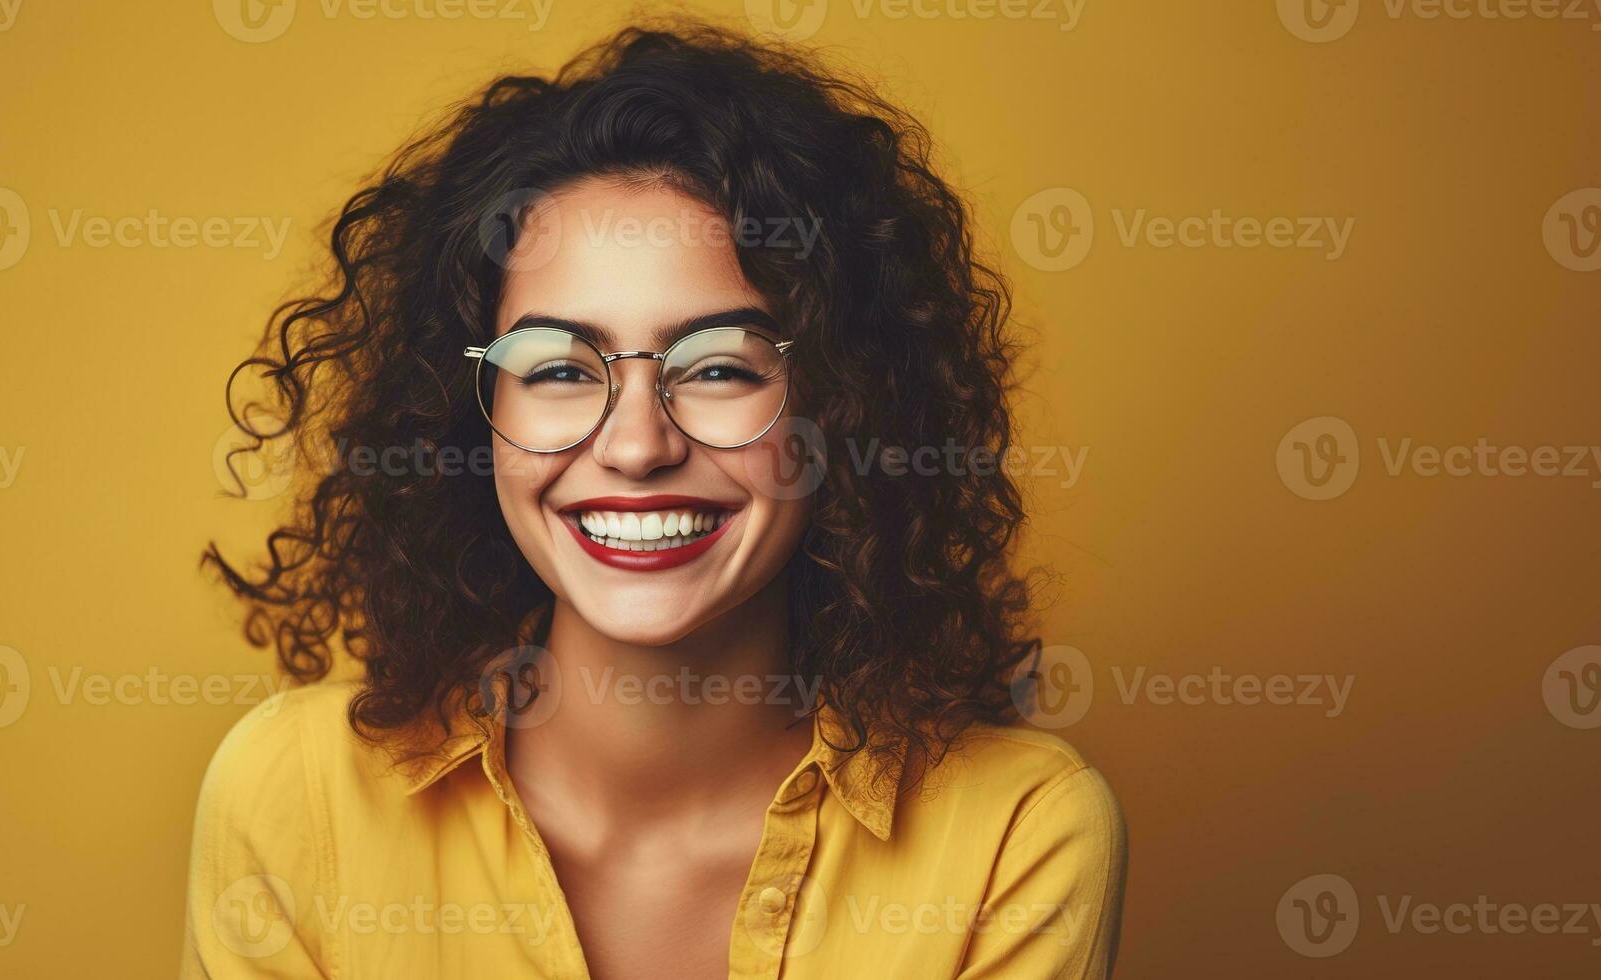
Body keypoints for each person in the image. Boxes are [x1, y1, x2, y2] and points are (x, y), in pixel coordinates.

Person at [181, 21, 1126, 980]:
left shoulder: (1018, 836)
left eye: (717, 367)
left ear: (843, 404)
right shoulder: (293, 798)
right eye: (557, 367)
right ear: (474, 417)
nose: (636, 446)